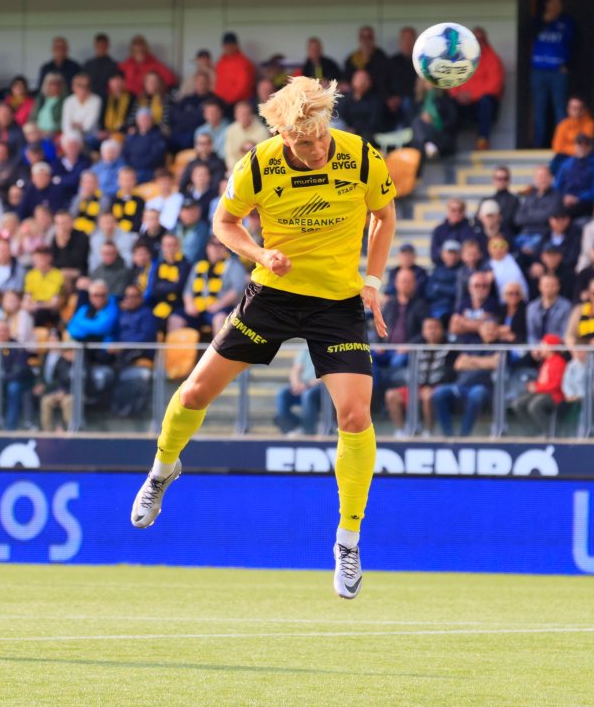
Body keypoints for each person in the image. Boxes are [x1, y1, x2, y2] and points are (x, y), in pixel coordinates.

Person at [128, 77, 398, 602]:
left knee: (356, 417)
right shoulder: (259, 163)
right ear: (284, 136)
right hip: (271, 296)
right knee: (194, 393)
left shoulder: (361, 158)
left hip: (337, 304)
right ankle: (162, 470)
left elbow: (383, 216)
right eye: (304, 143)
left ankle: (347, 539)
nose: (316, 149)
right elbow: (223, 223)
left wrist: (374, 281)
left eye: (320, 137)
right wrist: (259, 255)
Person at [530, 0, 575, 147]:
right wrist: (544, 21)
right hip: (539, 71)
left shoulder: (567, 23)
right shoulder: (537, 22)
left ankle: (561, 144)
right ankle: (538, 145)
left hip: (558, 72)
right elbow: (526, 36)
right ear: (546, 4)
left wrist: (568, 64)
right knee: (539, 110)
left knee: (560, 110)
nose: (555, 6)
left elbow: (576, 45)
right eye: (552, 3)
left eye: (558, 3)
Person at [450, 27, 505, 151]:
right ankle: (448, 142)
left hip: (481, 103)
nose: (478, 42)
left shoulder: (493, 59)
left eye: (480, 40)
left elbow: (494, 86)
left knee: (486, 101)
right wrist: (457, 95)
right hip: (463, 102)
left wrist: (472, 96)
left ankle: (482, 141)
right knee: (448, 103)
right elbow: (452, 81)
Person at [508, 333, 566, 436]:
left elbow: (556, 384)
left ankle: (551, 434)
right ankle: (533, 433)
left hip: (554, 395)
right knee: (517, 404)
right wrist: (533, 385)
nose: (541, 348)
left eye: (543, 345)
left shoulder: (559, 362)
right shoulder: (545, 361)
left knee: (535, 406)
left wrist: (537, 387)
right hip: (541, 392)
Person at [274, 344, 323, 436]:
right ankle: (292, 426)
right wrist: (296, 384)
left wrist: (306, 385)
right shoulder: (306, 349)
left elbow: (327, 375)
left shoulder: (331, 348)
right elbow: (295, 370)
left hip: (322, 389)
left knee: (308, 394)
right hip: (303, 386)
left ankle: (308, 431)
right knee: (283, 393)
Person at [213, 32, 256, 107]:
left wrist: (228, 100)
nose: (228, 47)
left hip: (239, 102)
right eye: (226, 45)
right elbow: (217, 83)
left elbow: (243, 87)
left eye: (230, 45)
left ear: (236, 45)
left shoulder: (244, 63)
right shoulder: (220, 62)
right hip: (221, 101)